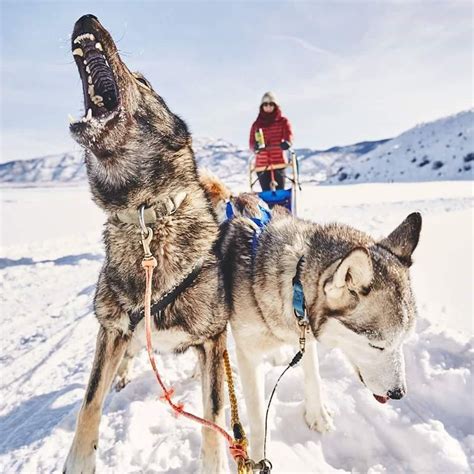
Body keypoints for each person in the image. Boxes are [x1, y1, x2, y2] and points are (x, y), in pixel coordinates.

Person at [249, 92, 293, 191]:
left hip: (279, 162)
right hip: (261, 164)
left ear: (275, 106)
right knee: (266, 193)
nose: (268, 106)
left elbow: (289, 135)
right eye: (265, 104)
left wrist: (287, 142)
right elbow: (251, 142)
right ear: (262, 107)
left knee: (280, 191)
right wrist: (254, 147)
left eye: (271, 104)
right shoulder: (256, 124)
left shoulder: (283, 122)